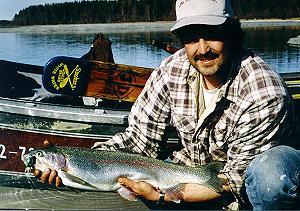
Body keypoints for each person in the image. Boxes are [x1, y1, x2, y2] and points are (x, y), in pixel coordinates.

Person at [34, 0, 300, 209]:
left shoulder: (262, 91)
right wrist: (83, 161)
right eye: (192, 37)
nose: (202, 48)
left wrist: (162, 195)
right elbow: (139, 139)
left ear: (232, 32)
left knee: (271, 174)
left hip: (249, 188)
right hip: (192, 175)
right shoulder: (172, 70)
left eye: (212, 34)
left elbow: (234, 179)